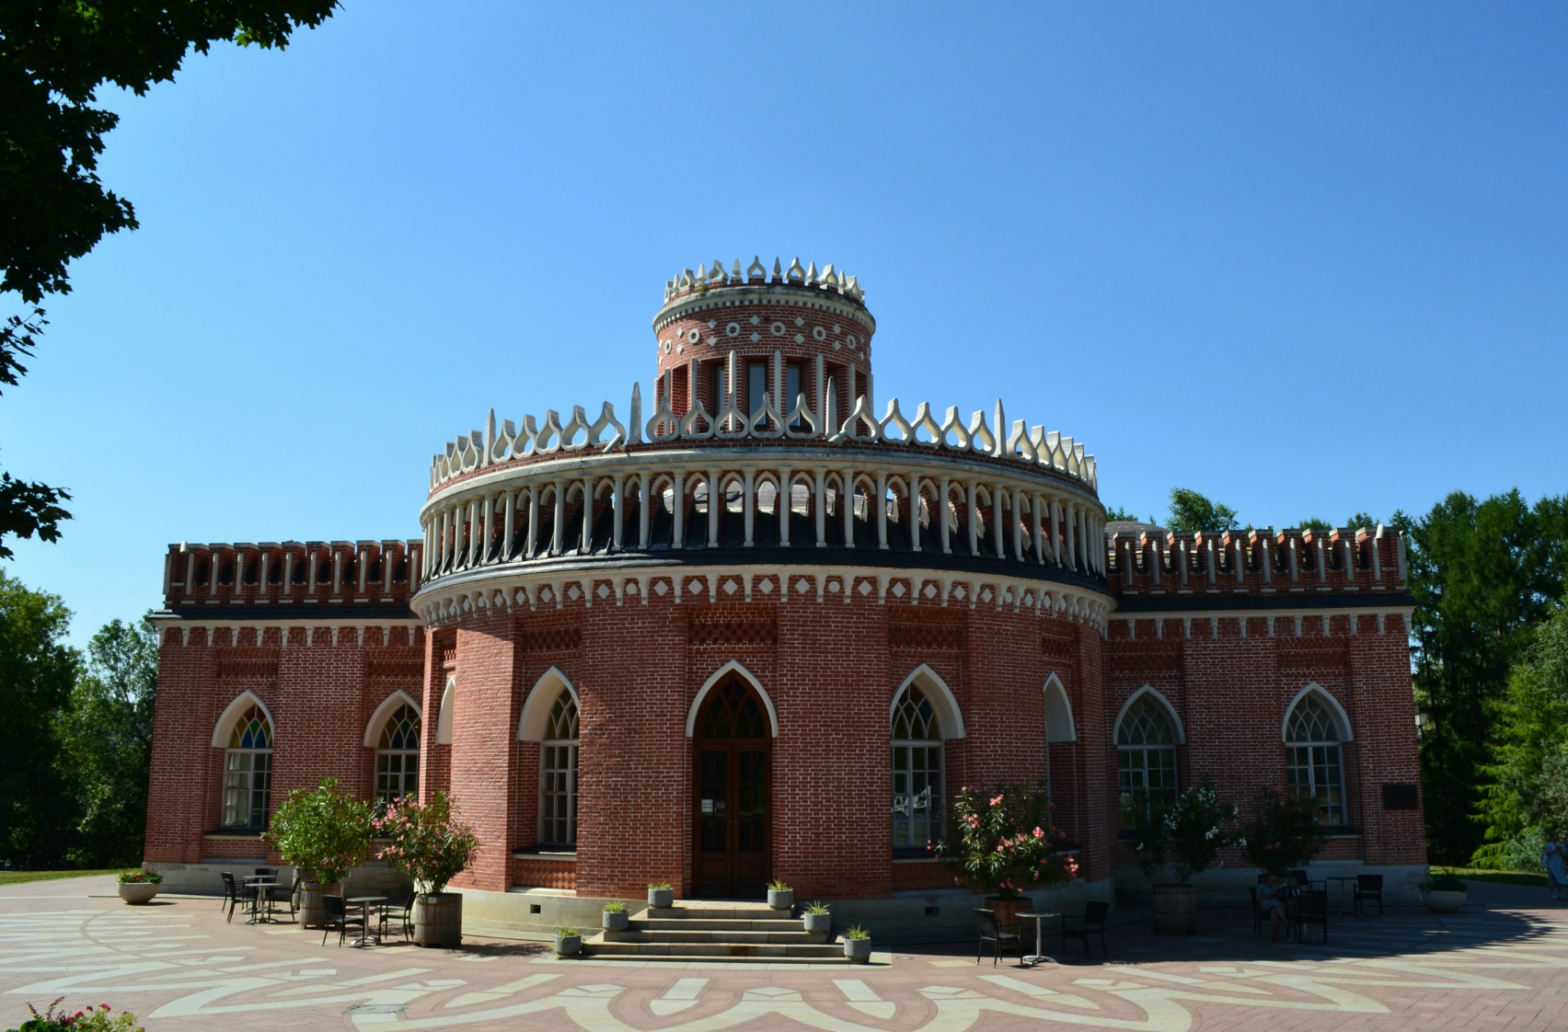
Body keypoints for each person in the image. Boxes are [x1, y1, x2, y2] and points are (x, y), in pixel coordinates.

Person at [1256, 874, 1292, 941]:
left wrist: (1277, 895)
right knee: (1275, 903)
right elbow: (1258, 898)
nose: (1273, 881)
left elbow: (1282, 898)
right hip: (1264, 904)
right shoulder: (1261, 886)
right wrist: (1269, 895)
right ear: (1267, 879)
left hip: (1274, 905)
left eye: (1275, 880)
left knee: (1274, 912)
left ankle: (1274, 935)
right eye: (1272, 879)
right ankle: (1286, 921)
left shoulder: (1276, 887)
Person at [1544, 834, 1568, 901]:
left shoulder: (1560, 845)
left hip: (1559, 863)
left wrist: (1560, 850)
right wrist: (1555, 849)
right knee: (1552, 878)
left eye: (1557, 839)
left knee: (1560, 877)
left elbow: (1565, 855)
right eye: (1554, 839)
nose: (1556, 840)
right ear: (1552, 839)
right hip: (1551, 863)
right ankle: (1552, 893)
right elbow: (1547, 853)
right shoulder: (1548, 845)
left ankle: (1559, 893)